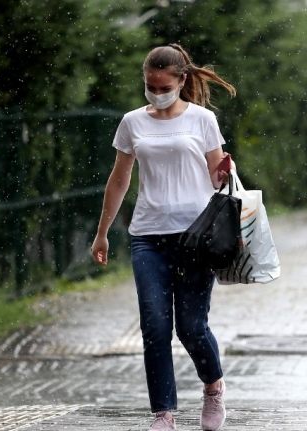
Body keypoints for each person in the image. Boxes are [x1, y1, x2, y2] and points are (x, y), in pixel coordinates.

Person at [90, 44, 236, 431]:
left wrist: (225, 172)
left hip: (195, 236)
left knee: (191, 327)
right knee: (154, 326)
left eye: (163, 86)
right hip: (148, 236)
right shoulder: (132, 122)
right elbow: (120, 180)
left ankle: (213, 387)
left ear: (181, 80)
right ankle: (164, 413)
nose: (156, 92)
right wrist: (102, 232)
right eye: (150, 86)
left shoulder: (203, 120)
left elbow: (217, 179)